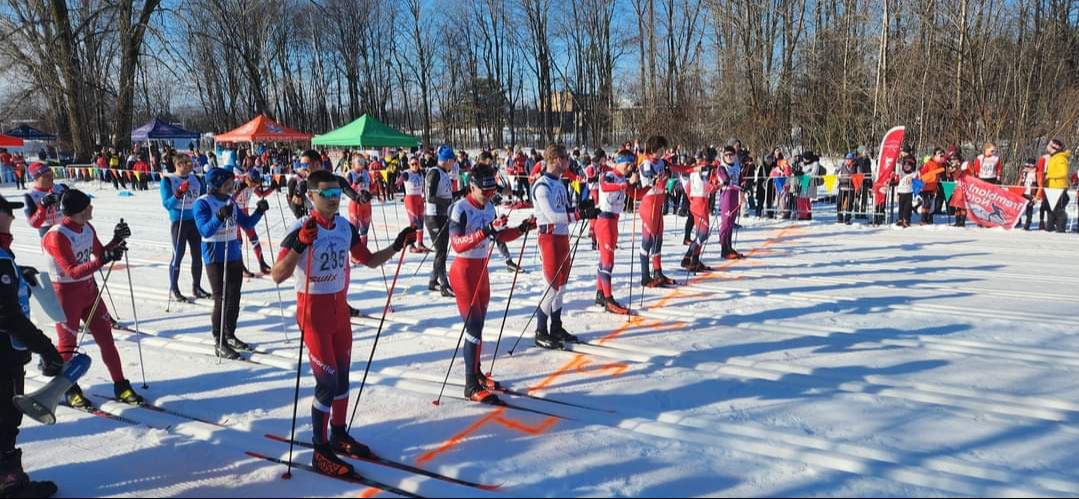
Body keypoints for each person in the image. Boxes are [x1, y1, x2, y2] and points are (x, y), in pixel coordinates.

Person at [271, 169, 416, 478]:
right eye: (327, 195)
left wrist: (396, 245)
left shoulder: (345, 227)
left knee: (342, 377)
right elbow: (277, 275)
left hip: (339, 312)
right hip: (313, 312)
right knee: (326, 382)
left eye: (338, 194)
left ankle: (338, 433)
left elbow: (369, 260)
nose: (334, 200)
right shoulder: (301, 228)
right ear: (311, 197)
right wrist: (299, 245)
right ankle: (320, 450)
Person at [41, 189, 143, 408]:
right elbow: (72, 271)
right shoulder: (56, 235)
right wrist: (104, 259)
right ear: (78, 211)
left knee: (106, 338)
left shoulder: (86, 227)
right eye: (88, 206)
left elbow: (99, 252)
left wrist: (116, 240)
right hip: (65, 295)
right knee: (67, 346)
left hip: (88, 291)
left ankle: (121, 385)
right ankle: (68, 390)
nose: (92, 208)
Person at [447, 165, 532, 402]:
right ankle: (470, 384)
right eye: (483, 190)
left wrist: (522, 228)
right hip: (463, 271)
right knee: (473, 327)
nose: (488, 194)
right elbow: (457, 244)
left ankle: (477, 373)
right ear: (471, 186)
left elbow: (500, 235)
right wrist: (485, 230)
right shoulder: (460, 209)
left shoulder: (490, 207)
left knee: (480, 326)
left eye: (491, 190)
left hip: (482, 270)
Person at [0, 193, 63, 499]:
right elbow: (8, 317)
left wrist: (17, 274)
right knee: (5, 417)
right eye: (5, 213)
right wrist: (46, 347)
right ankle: (11, 486)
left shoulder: (4, 256)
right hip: (4, 354)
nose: (11, 218)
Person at [193, 168, 269, 359]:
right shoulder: (202, 203)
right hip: (214, 255)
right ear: (217, 184)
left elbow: (247, 223)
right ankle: (219, 341)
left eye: (232, 182)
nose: (232, 185)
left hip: (234, 253)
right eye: (228, 183)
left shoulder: (231, 202)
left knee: (234, 295)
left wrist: (259, 211)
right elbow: (205, 231)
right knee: (221, 298)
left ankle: (230, 333)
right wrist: (218, 216)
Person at [532, 144, 599, 350]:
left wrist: (582, 207)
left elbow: (565, 209)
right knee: (551, 286)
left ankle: (556, 326)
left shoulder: (560, 184)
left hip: (562, 237)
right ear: (556, 159)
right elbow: (552, 216)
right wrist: (579, 215)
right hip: (549, 237)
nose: (568, 161)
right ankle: (540, 330)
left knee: (561, 286)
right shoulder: (542, 185)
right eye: (565, 158)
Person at [161, 154, 210, 302]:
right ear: (177, 164)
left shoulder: (195, 179)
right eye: (183, 163)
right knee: (178, 255)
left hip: (195, 221)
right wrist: (178, 193)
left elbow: (203, 198)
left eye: (189, 163)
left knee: (197, 255)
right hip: (179, 221)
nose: (187, 166)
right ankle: (174, 288)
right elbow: (167, 204)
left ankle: (197, 287)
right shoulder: (168, 180)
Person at [594, 151, 634, 315]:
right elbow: (605, 186)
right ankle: (608, 298)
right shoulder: (609, 174)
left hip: (613, 221)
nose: (629, 167)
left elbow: (634, 193)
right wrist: (623, 185)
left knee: (604, 261)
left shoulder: (623, 178)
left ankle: (600, 293)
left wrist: (653, 185)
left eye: (631, 165)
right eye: (627, 164)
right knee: (608, 262)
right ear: (619, 162)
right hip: (605, 221)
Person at [636, 135, 676, 288]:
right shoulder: (646, 162)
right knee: (648, 241)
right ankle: (645, 277)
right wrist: (657, 176)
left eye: (663, 151)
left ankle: (658, 272)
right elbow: (647, 173)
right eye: (659, 151)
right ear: (652, 150)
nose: (662, 153)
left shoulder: (663, 162)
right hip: (649, 205)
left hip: (658, 205)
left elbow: (674, 169)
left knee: (658, 239)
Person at [425, 145, 460, 297]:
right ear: (446, 160)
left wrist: (462, 193)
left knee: (442, 250)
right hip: (433, 217)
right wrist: (447, 203)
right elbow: (430, 197)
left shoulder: (444, 173)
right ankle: (444, 284)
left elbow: (447, 195)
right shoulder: (434, 173)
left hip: (443, 215)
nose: (454, 163)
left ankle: (433, 280)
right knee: (441, 251)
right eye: (453, 160)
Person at [232, 168, 275, 275]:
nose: (254, 186)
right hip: (235, 213)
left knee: (254, 238)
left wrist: (272, 187)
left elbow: (261, 194)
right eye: (253, 183)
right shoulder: (239, 182)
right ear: (247, 179)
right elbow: (230, 199)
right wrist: (237, 190)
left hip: (245, 213)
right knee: (238, 241)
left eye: (256, 184)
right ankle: (240, 267)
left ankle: (262, 263)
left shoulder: (252, 183)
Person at [396, 156, 431, 253]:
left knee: (421, 221)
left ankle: (420, 243)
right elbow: (400, 180)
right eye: (412, 164)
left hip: (419, 198)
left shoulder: (421, 173)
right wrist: (397, 183)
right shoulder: (407, 173)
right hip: (410, 199)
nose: (415, 166)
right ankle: (411, 245)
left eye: (416, 164)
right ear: (409, 165)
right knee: (414, 223)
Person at [23, 163, 67, 238]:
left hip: (67, 228)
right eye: (46, 176)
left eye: (51, 174)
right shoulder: (30, 196)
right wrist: (42, 206)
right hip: (47, 231)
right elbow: (34, 224)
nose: (51, 178)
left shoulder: (62, 188)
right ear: (36, 178)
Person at [1043, 139, 1072, 233]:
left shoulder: (1061, 158)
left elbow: (1063, 173)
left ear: (1054, 147)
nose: (1047, 146)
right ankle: (1050, 227)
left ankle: (1061, 229)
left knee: (1059, 210)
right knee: (1050, 208)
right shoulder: (1053, 157)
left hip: (1059, 187)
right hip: (1051, 187)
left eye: (1049, 144)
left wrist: (1049, 176)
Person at [919, 148, 947, 225]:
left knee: (931, 204)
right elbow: (922, 174)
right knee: (926, 203)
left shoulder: (941, 164)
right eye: (939, 154)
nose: (942, 156)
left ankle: (929, 219)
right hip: (925, 187)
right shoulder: (928, 163)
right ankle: (923, 219)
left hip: (933, 187)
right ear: (934, 155)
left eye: (942, 155)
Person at [1017, 158, 1040, 231]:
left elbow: (1039, 184)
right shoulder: (1024, 172)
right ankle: (1018, 221)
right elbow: (1020, 180)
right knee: (1019, 208)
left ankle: (1027, 224)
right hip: (1022, 192)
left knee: (1029, 210)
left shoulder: (1036, 173)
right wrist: (1017, 189)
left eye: (1030, 166)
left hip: (1031, 193)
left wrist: (1036, 196)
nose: (1028, 168)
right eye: (1027, 166)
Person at [895, 157, 918, 228]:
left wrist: (913, 179)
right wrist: (898, 163)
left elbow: (917, 179)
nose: (906, 167)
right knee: (901, 207)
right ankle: (900, 219)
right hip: (901, 192)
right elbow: (897, 169)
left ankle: (906, 220)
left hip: (909, 193)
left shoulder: (913, 174)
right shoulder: (902, 173)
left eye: (909, 165)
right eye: (905, 165)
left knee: (907, 208)